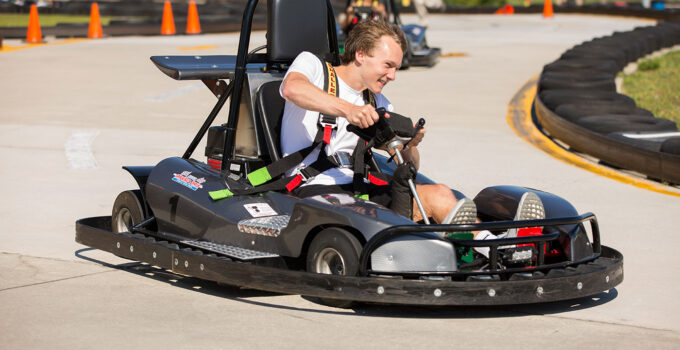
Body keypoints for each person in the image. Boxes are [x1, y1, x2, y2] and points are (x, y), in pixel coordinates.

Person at [279, 20, 463, 224]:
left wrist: (409, 145)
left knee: (441, 194)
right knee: (371, 217)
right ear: (360, 54)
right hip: (315, 187)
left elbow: (410, 165)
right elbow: (292, 89)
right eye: (388, 65)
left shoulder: (379, 103)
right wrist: (349, 110)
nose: (392, 76)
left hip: (361, 189)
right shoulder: (313, 66)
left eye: (396, 68)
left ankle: (487, 246)